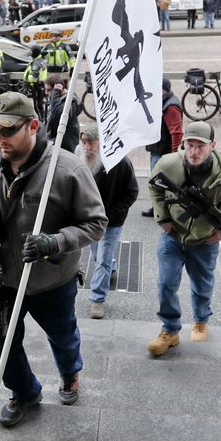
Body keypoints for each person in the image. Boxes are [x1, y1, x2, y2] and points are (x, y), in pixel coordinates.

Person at [0, 92, 106, 426]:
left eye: (8, 130)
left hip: (52, 281)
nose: (0, 139)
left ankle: (70, 373)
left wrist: (55, 242)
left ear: (33, 126)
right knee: (2, 344)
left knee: (63, 338)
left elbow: (96, 223)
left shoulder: (68, 169)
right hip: (3, 279)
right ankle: (24, 392)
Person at [146, 122, 221, 356]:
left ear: (213, 145)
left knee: (202, 286)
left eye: (201, 146)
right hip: (173, 236)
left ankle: (200, 320)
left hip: (205, 240)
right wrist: (162, 216)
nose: (194, 152)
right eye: (190, 145)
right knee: (165, 284)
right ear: (183, 144)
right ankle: (170, 330)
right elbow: (154, 186)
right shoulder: (168, 164)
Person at [80, 125, 138, 319]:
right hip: (90, 219)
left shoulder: (120, 162)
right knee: (98, 255)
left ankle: (97, 299)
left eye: (91, 143)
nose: (87, 147)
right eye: (84, 142)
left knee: (103, 258)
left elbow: (132, 192)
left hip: (111, 221)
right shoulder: (80, 156)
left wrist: (112, 214)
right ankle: (111, 267)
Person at [142, 77, 183, 217]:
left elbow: (176, 133)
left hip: (163, 152)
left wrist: (174, 155)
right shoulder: (162, 102)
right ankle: (158, 208)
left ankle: (161, 210)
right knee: (158, 182)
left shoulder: (170, 107)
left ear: (163, 90)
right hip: (158, 149)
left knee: (159, 182)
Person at [22, 44, 47, 122]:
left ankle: (41, 121)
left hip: (36, 86)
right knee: (40, 104)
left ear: (34, 53)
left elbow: (34, 77)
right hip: (41, 85)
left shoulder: (36, 63)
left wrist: (27, 79)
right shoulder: (42, 60)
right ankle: (43, 119)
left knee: (37, 105)